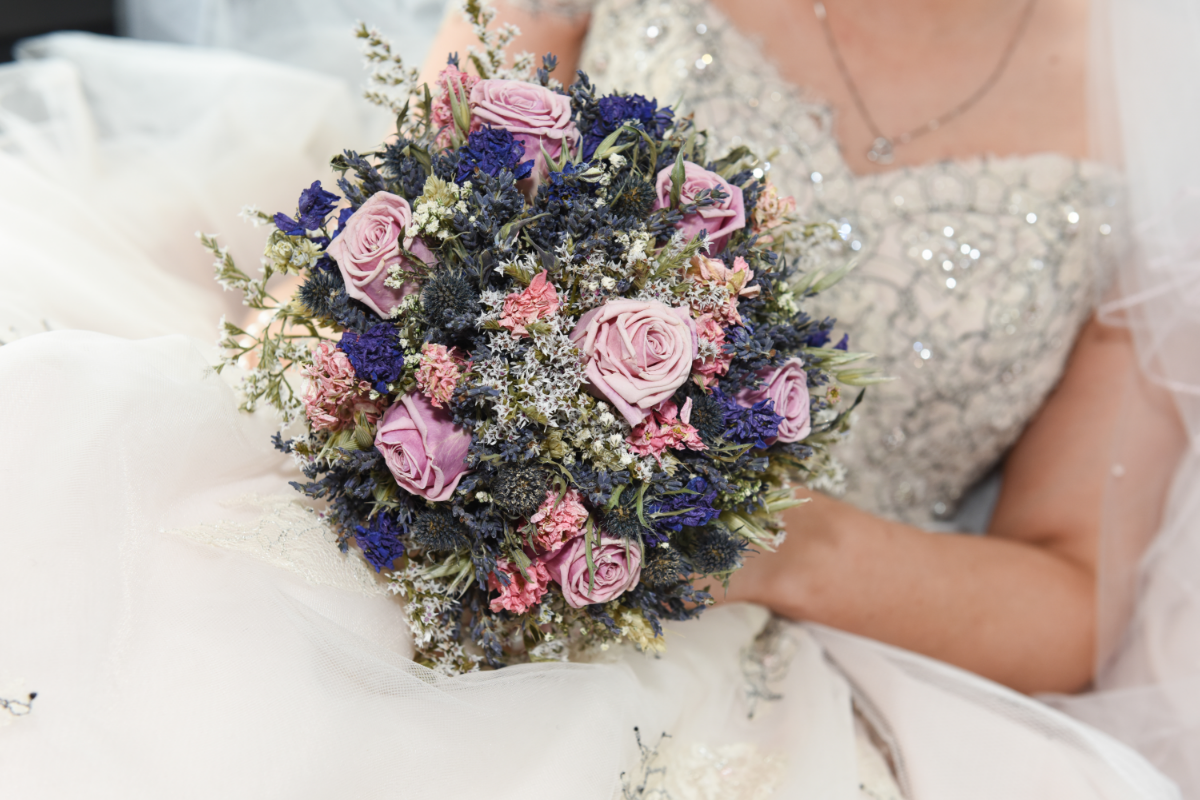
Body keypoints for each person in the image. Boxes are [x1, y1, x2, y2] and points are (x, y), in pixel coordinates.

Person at [0, 1, 1196, 798]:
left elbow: (1070, 587)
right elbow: (405, 234)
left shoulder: (1159, 108)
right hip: (437, 495)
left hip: (796, 643)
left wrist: (753, 539)